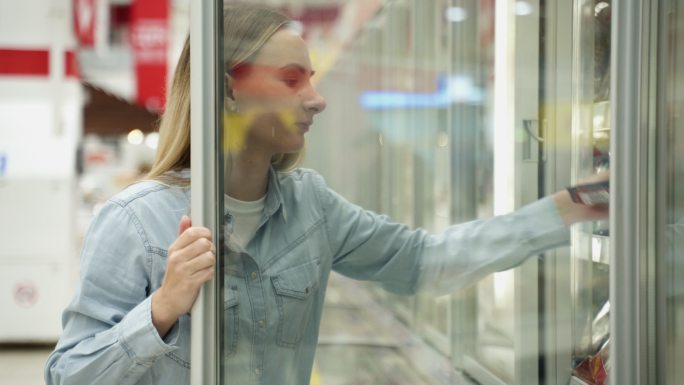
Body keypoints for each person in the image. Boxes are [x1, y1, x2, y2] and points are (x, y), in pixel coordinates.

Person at [44, 3, 608, 385]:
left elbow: (426, 261)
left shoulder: (311, 207)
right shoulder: (136, 221)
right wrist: (162, 309)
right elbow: (67, 374)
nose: (317, 99)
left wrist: (566, 208)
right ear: (227, 90)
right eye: (293, 79)